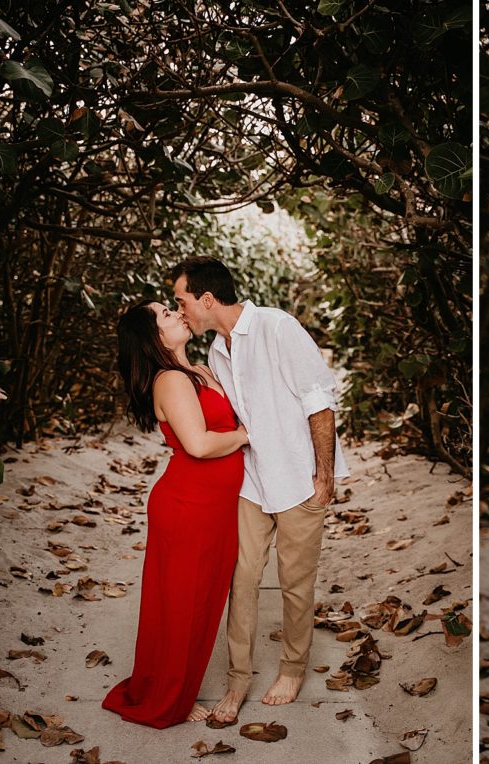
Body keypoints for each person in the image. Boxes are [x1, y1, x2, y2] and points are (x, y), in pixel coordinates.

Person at [171, 257, 349, 723]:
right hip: (251, 481)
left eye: (181, 301)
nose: (181, 309)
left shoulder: (277, 327)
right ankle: (237, 680)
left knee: (295, 584)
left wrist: (324, 476)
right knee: (241, 579)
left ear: (207, 299)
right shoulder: (216, 352)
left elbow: (320, 401)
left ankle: (292, 669)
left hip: (297, 480)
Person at [104, 300, 248, 728]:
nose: (176, 313)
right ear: (154, 337)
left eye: (172, 308)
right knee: (182, 605)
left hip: (215, 507)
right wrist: (246, 434)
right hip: (189, 505)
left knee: (200, 602)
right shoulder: (170, 380)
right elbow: (199, 445)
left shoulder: (200, 370)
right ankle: (170, 696)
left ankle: (175, 684)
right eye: (165, 314)